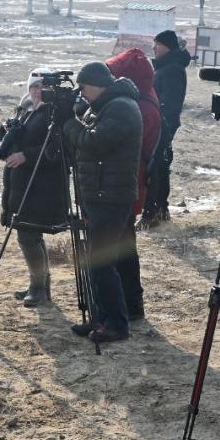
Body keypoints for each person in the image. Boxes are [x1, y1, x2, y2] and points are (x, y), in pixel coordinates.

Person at [61, 61, 143, 343]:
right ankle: (101, 318)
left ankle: (117, 324)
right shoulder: (104, 106)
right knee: (96, 260)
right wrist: (73, 117)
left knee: (101, 262)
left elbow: (94, 143)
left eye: (83, 87)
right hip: (100, 194)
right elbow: (84, 142)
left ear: (97, 84)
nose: (81, 93)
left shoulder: (121, 107)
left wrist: (69, 123)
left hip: (111, 197)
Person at [0, 68, 70, 306]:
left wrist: (26, 156)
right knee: (31, 234)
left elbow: (58, 149)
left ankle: (38, 288)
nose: (38, 91)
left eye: (42, 87)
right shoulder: (26, 109)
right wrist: (7, 133)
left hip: (41, 187)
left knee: (28, 236)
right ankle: (40, 286)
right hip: (23, 184)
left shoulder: (54, 113)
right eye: (34, 86)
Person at [106, 48, 162, 320]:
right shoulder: (144, 97)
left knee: (121, 246)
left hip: (126, 183)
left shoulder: (139, 106)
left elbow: (115, 144)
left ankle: (128, 304)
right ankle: (130, 303)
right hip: (131, 181)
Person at [140, 29, 191, 228]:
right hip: (160, 123)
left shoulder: (172, 70)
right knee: (160, 165)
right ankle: (160, 210)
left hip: (162, 124)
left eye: (158, 45)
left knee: (156, 166)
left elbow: (170, 104)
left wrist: (162, 125)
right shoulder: (168, 66)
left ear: (168, 47)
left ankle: (152, 213)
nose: (154, 48)